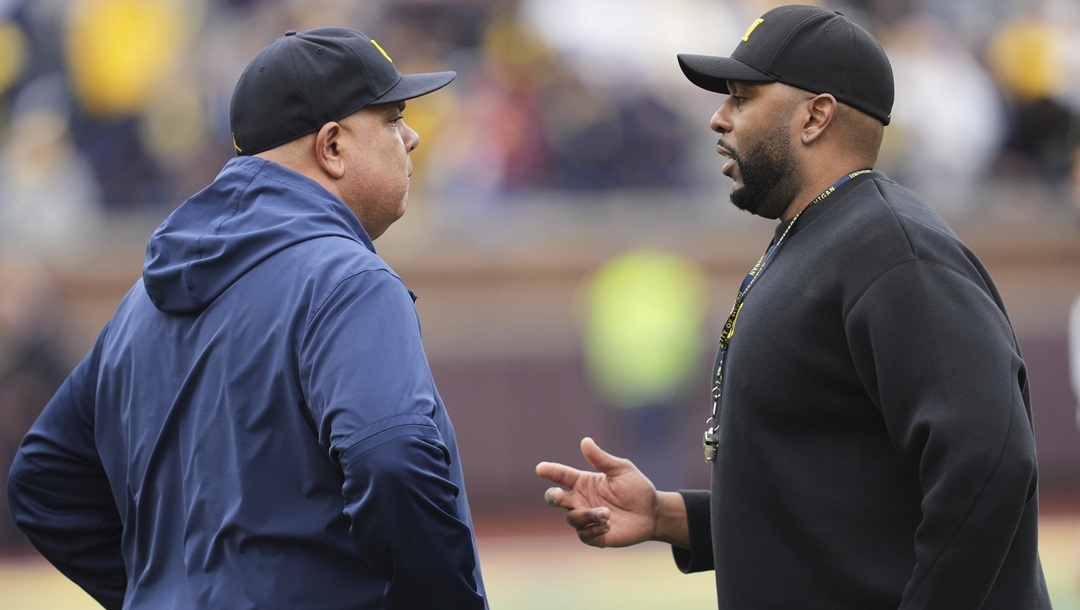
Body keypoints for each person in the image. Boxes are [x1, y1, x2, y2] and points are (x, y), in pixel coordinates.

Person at [536, 5, 1051, 608]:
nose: (717, 118)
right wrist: (668, 516)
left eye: (742, 97)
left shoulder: (894, 252)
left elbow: (990, 464)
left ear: (815, 116)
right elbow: (832, 498)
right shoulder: (816, 235)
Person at [7, 27, 487, 609]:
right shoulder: (347, 281)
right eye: (390, 119)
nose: (411, 137)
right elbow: (392, 462)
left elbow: (44, 480)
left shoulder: (141, 302)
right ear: (332, 146)